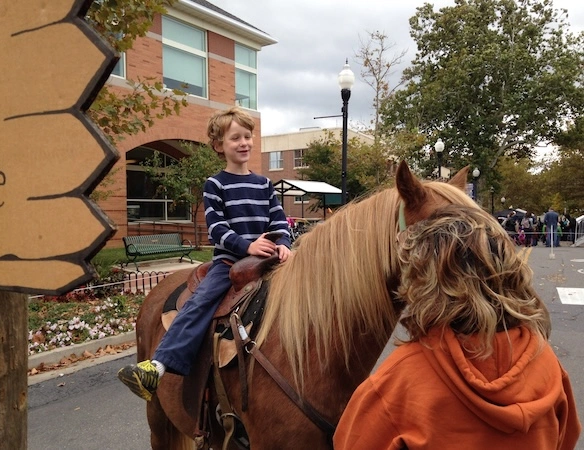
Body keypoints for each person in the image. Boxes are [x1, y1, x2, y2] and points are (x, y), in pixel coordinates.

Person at [334, 205, 581, 450]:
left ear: (424, 279)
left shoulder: (395, 383)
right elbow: (565, 438)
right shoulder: (547, 364)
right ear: (508, 270)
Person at [118, 107, 292, 401]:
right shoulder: (216, 185)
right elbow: (217, 228)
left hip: (268, 262)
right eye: (235, 138)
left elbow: (278, 219)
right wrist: (247, 246)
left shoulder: (264, 185)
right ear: (219, 145)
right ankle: (157, 367)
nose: (244, 143)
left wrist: (284, 243)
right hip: (230, 263)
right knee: (200, 302)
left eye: (247, 136)